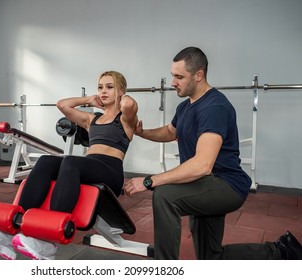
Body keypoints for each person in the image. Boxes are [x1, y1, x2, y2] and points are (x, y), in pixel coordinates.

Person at [123, 47, 302, 260]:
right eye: (173, 75)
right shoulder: (184, 107)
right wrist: (141, 132)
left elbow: (202, 165)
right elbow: (171, 132)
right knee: (210, 259)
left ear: (199, 75)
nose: (173, 82)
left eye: (179, 77)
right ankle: (281, 251)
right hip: (203, 184)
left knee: (164, 196)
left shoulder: (214, 107)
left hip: (225, 185)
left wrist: (149, 181)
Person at [0, 70, 138, 260]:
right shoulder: (91, 120)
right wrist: (89, 100)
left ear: (121, 91)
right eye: (100, 87)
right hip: (89, 166)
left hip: (110, 171)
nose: (103, 91)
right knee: (46, 161)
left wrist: (122, 97)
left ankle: (48, 241)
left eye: (110, 87)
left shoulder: (126, 120)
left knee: (70, 161)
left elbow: (129, 105)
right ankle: (13, 227)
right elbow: (62, 104)